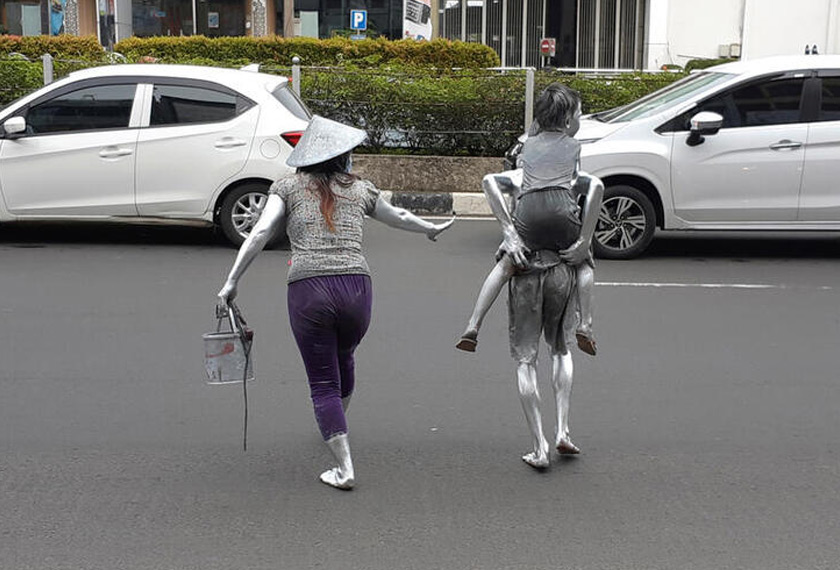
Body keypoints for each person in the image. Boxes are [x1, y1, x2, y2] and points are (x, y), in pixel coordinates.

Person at [217, 116, 454, 490]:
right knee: (345, 357)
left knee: (323, 382)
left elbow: (261, 230)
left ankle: (343, 467)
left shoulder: (288, 187)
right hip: (358, 290)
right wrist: (429, 228)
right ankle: (335, 423)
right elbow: (399, 216)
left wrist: (231, 282)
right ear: (342, 156)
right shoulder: (360, 190)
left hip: (310, 289)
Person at [456, 83, 597, 356]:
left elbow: (519, 180)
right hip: (562, 213)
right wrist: (583, 239)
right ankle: (586, 324)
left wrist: (512, 232)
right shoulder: (574, 145)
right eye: (579, 115)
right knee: (584, 264)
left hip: (528, 214)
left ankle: (473, 325)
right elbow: (572, 182)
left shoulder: (528, 145)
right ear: (568, 120)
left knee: (503, 267)